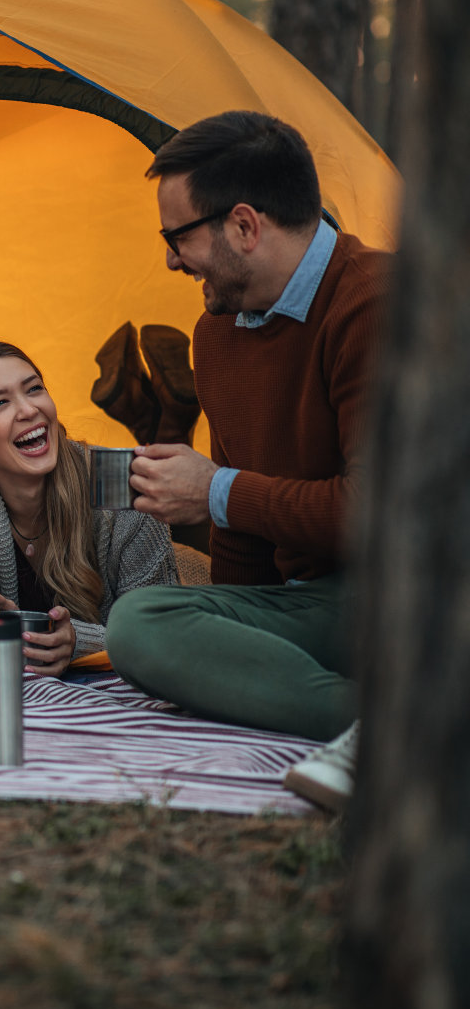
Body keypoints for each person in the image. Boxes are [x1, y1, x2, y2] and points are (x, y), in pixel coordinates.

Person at [104, 110, 389, 812]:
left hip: (416, 597)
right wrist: (227, 630)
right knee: (138, 623)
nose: (171, 261)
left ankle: (398, 729)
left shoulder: (378, 305)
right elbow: (243, 547)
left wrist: (217, 492)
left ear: (243, 226)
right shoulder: (218, 335)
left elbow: (380, 518)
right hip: (317, 611)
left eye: (177, 237)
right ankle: (388, 718)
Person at [0, 341, 177, 675]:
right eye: (0, 403)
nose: (29, 409)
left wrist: (81, 642)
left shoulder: (121, 482)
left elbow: (165, 632)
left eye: (34, 389)